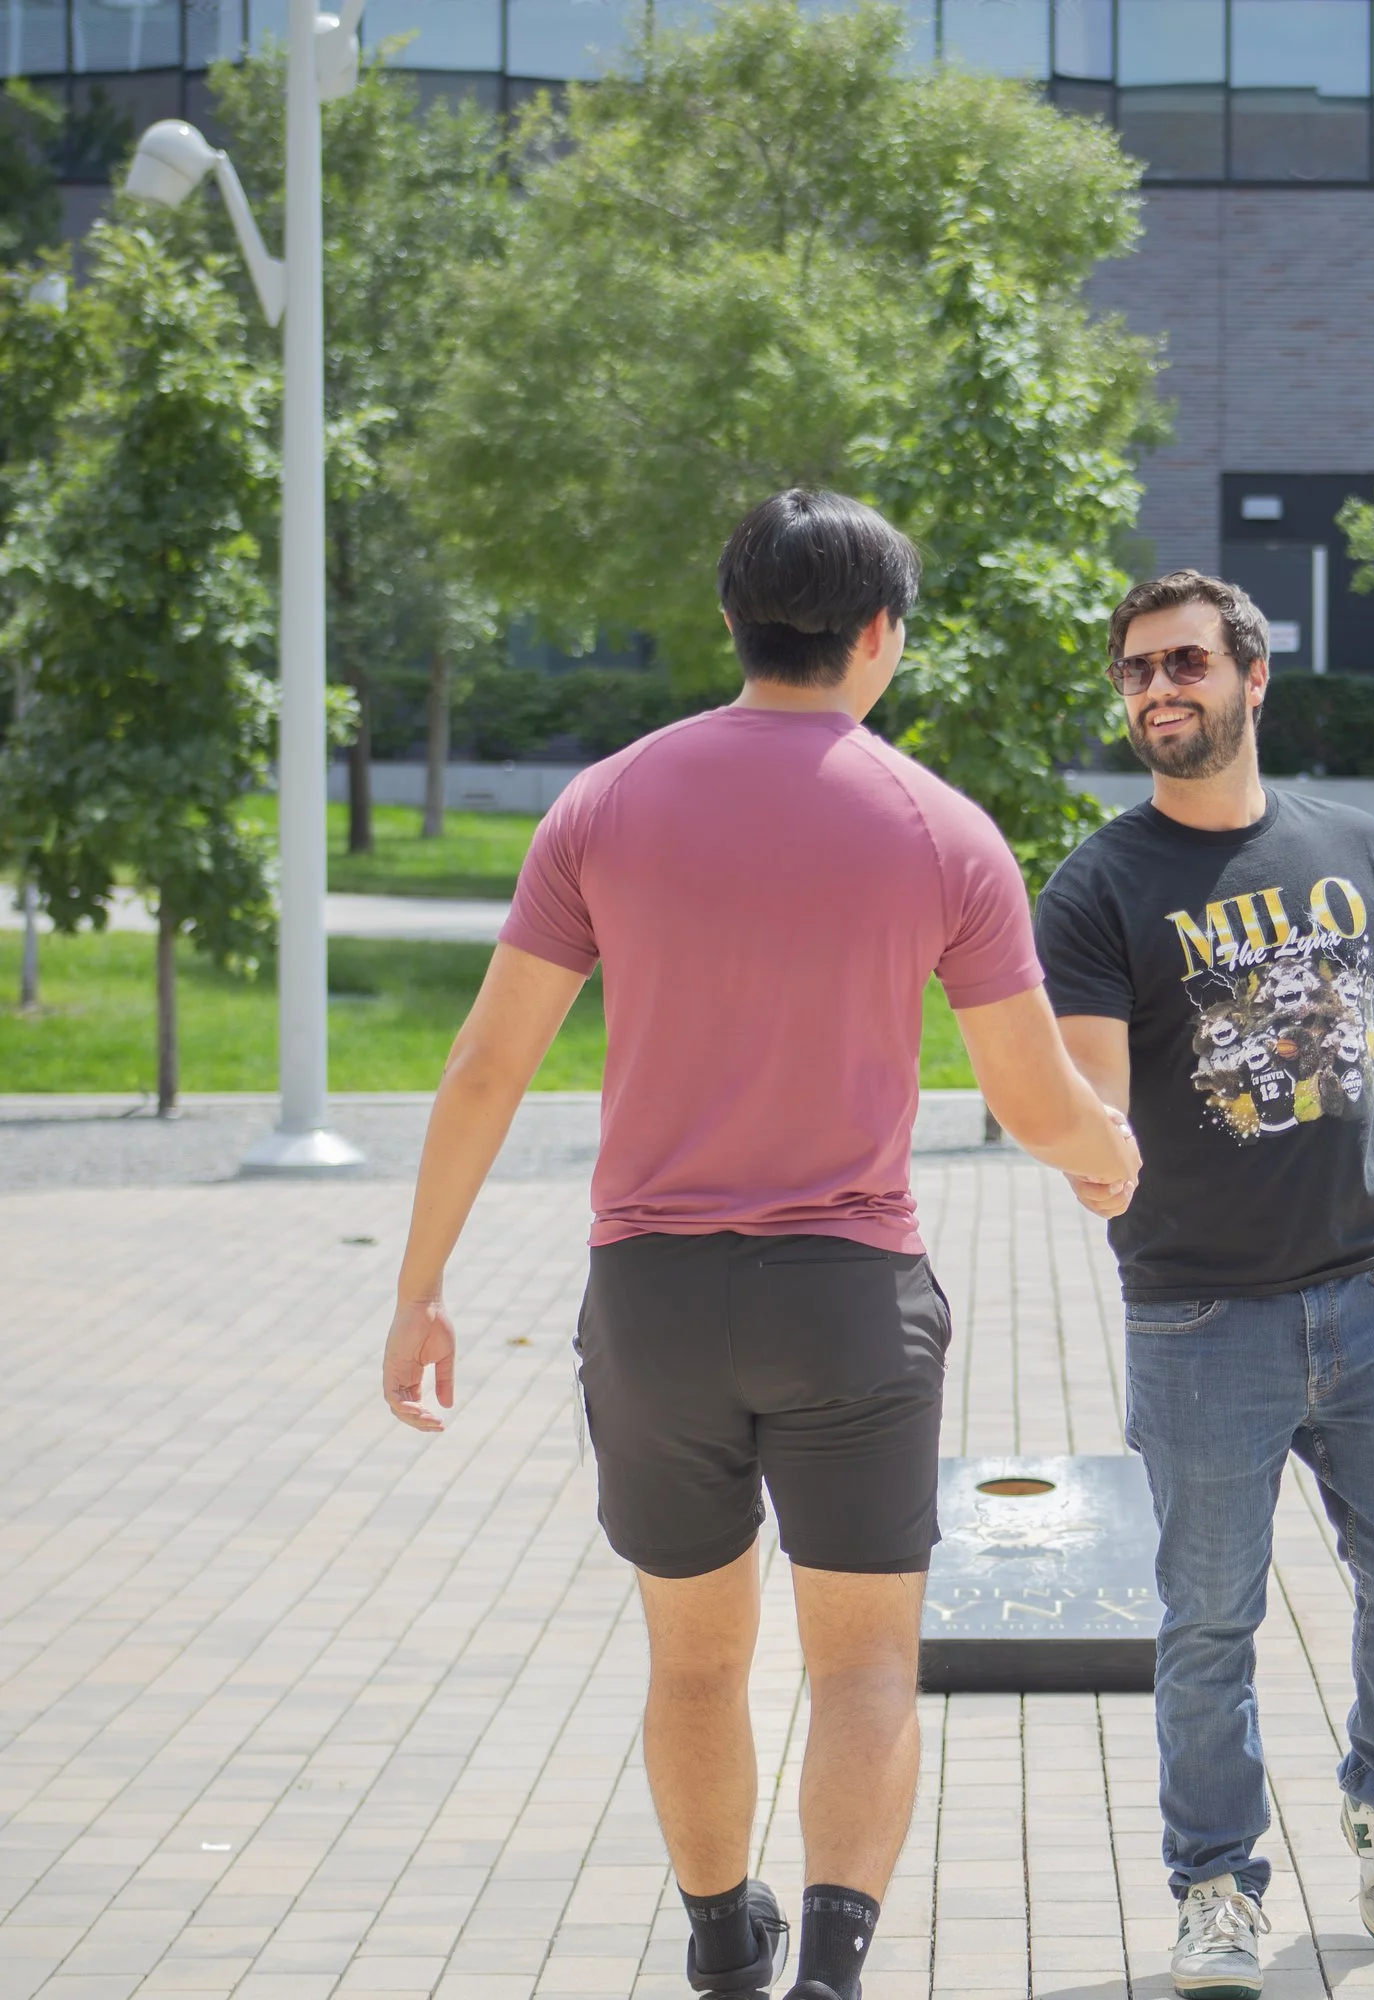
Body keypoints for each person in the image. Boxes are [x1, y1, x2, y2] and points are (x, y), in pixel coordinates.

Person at [377, 490, 1139, 2000]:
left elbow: (484, 1066)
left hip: (652, 1302)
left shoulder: (603, 804)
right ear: (878, 636)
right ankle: (835, 1974)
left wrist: (420, 1290)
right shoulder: (941, 828)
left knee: (695, 1659)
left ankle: (725, 1945)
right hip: (849, 1302)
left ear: (735, 624)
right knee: (862, 1663)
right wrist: (1108, 1162)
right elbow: (1026, 1091)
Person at [1032, 570, 1374, 1999]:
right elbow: (1091, 1095)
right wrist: (1088, 1150)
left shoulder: (1352, 849)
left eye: (1183, 661)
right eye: (1133, 672)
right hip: (1197, 1318)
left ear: (1254, 676)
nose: (1155, 690)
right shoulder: (1099, 887)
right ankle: (1216, 1889)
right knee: (1207, 1624)